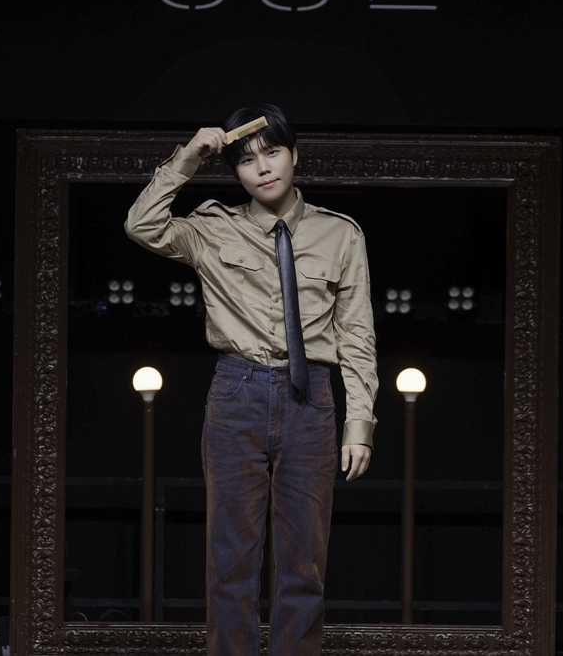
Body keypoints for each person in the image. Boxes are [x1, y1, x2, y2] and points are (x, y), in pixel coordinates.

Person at [125, 104, 378, 656]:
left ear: (295, 156)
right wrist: (189, 158)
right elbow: (141, 225)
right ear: (234, 171)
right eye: (246, 160)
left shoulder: (340, 234)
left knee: (304, 562)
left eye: (273, 153)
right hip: (236, 393)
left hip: (311, 397)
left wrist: (359, 422)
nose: (263, 168)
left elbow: (357, 334)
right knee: (230, 560)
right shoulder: (212, 228)